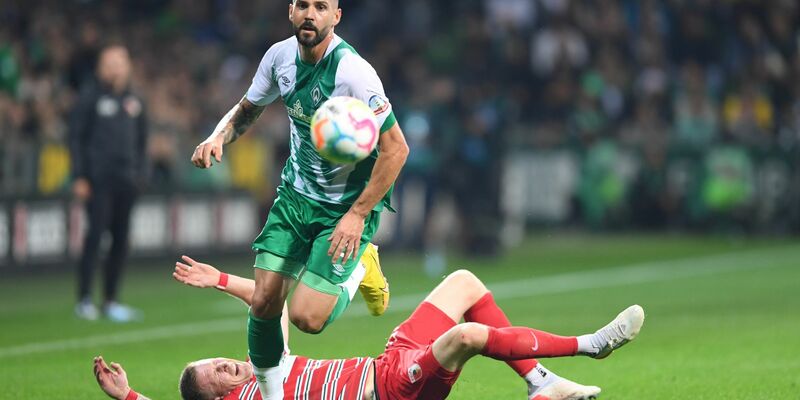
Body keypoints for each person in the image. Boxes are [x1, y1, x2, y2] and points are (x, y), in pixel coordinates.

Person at [190, 1, 408, 397]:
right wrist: (217, 136)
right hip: (295, 197)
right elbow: (247, 110)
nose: (311, 14)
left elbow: (396, 149)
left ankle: (363, 263)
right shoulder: (278, 58)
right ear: (290, 11)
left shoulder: (354, 74)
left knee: (307, 318)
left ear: (336, 17)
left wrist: (358, 214)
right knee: (264, 301)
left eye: (321, 7)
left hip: (345, 206)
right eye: (303, 5)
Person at [93, 259, 645, 400]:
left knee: (464, 284)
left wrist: (218, 278)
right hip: (391, 390)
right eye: (215, 373)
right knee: (465, 339)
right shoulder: (265, 393)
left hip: (390, 360)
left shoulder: (274, 367)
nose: (223, 363)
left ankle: (539, 380)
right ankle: (588, 347)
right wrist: (131, 395)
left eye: (215, 360)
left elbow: (273, 303)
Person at [69, 44, 148, 323]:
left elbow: (141, 142)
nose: (115, 67)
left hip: (126, 180)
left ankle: (111, 300)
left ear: (128, 66)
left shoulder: (135, 101)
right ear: (100, 67)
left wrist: (140, 173)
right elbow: (76, 139)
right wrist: (79, 175)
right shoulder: (89, 98)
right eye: (109, 62)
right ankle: (84, 300)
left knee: (120, 240)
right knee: (94, 238)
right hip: (97, 181)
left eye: (120, 62)